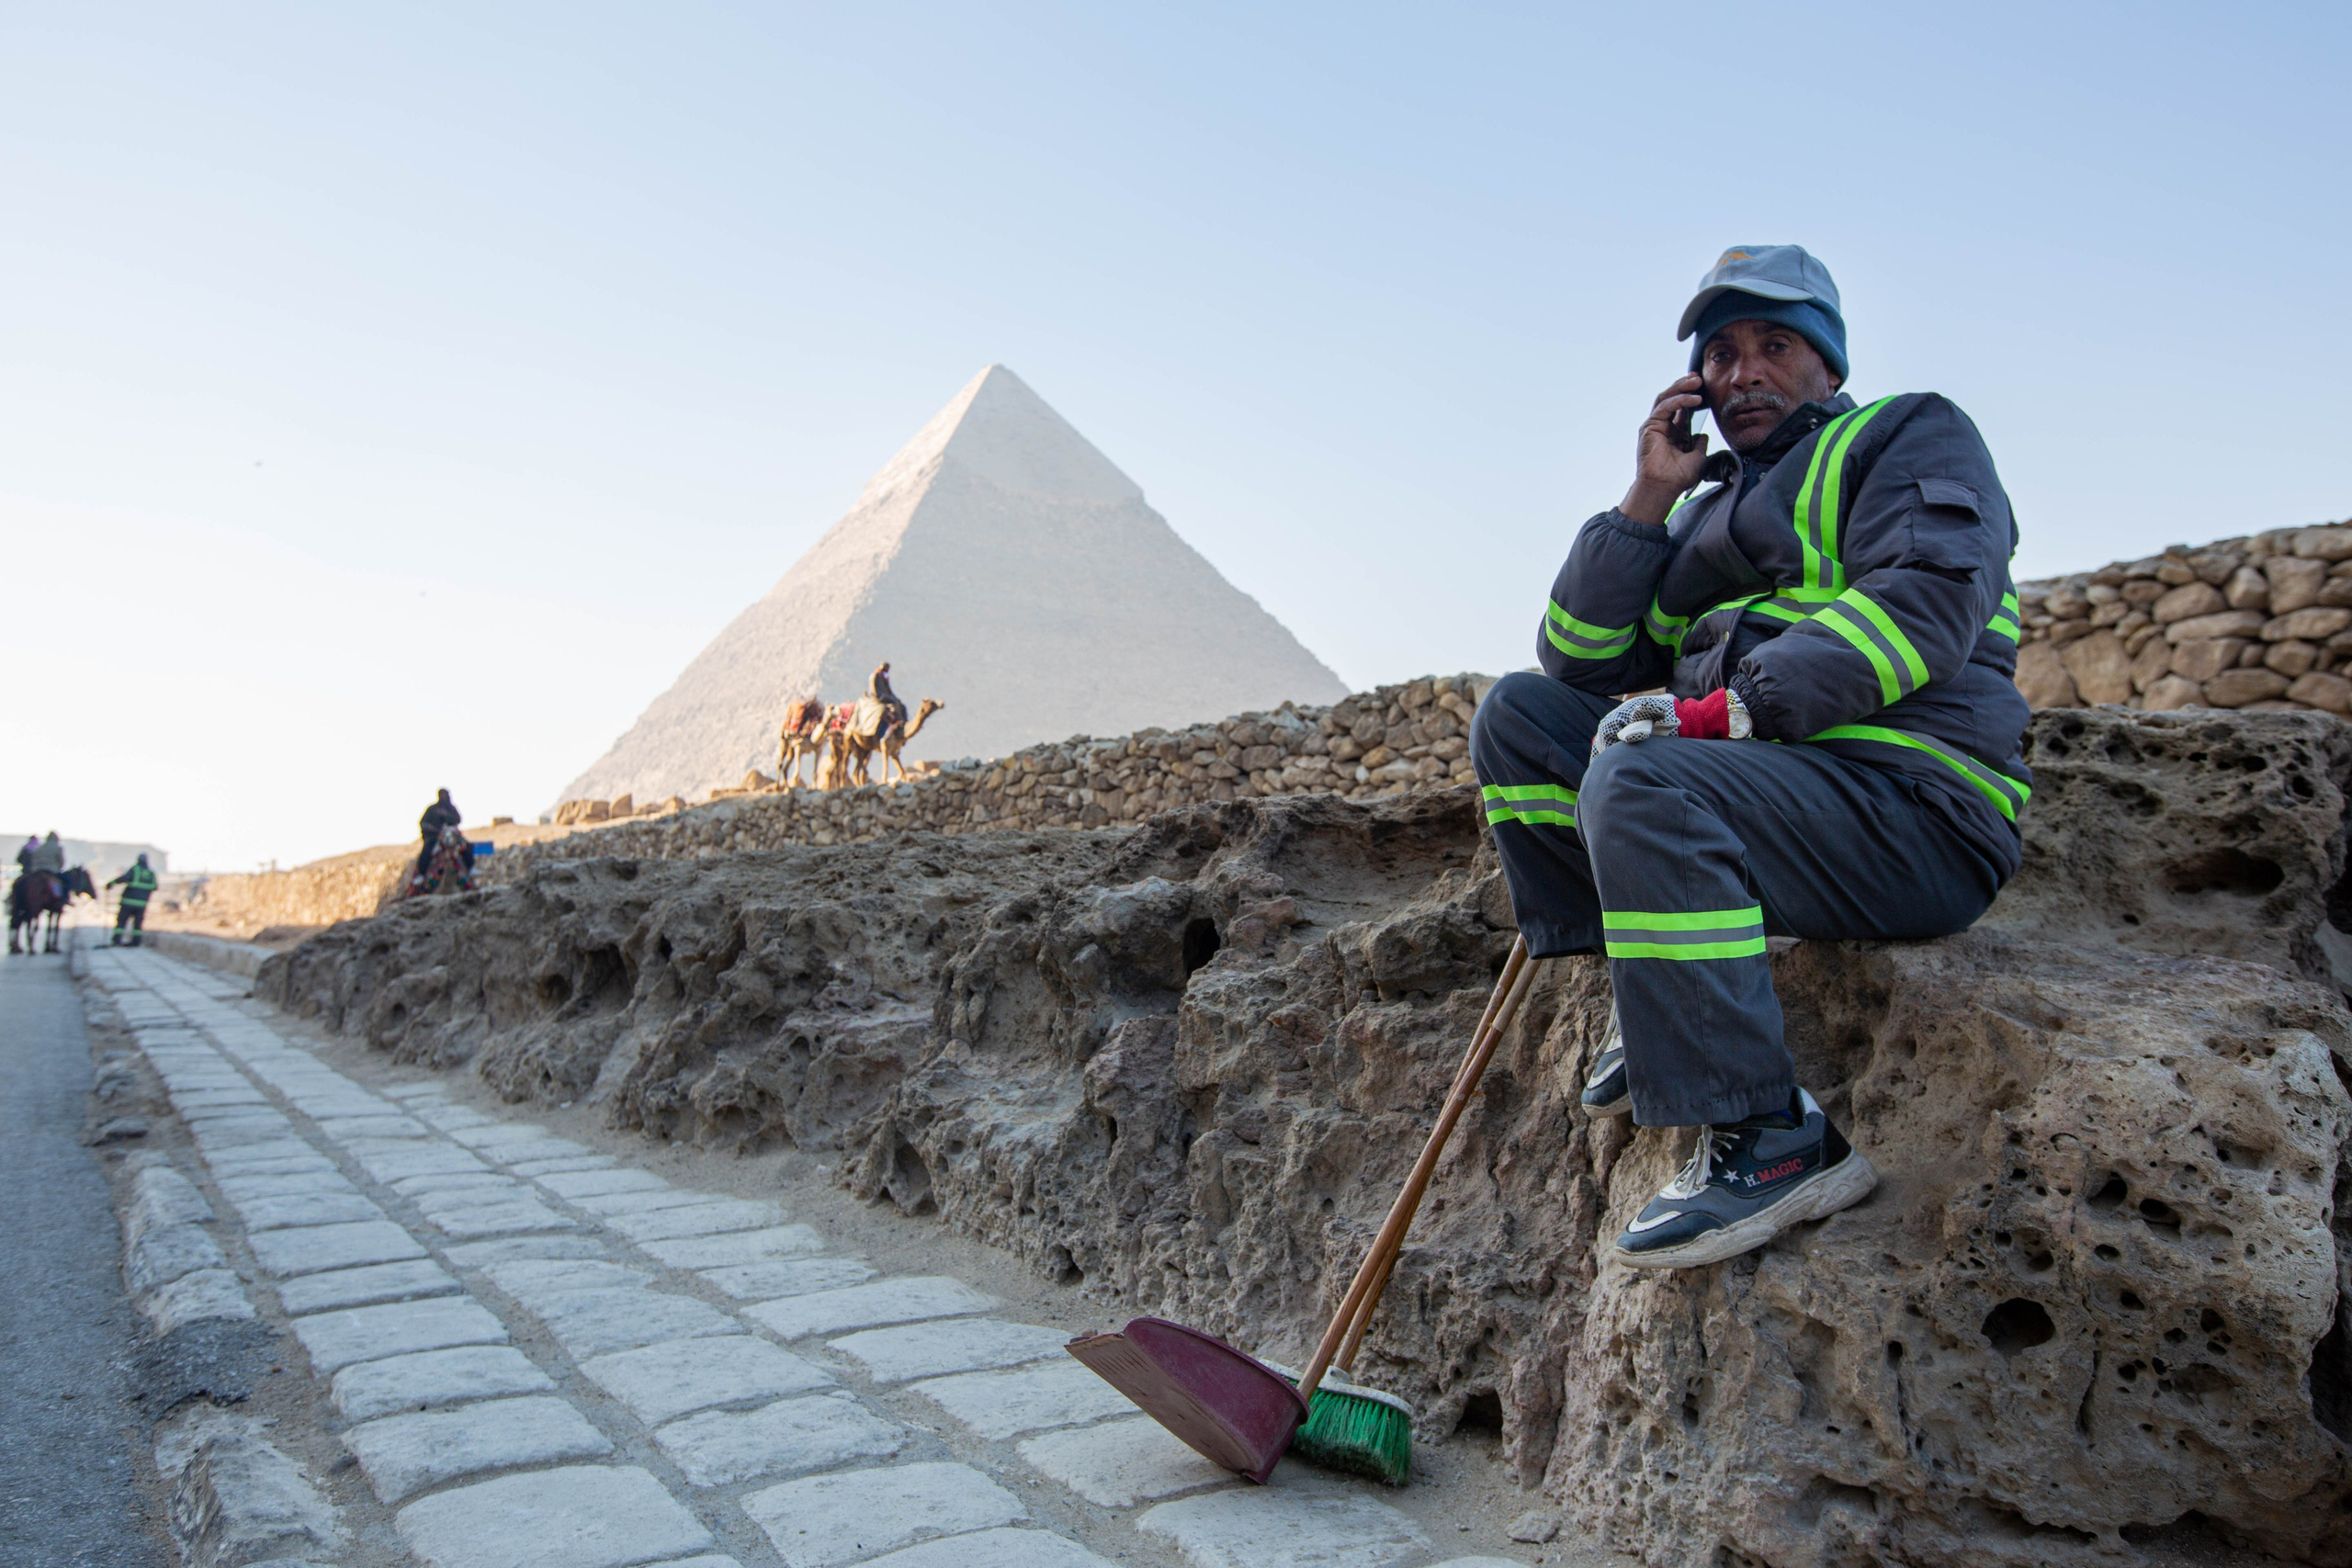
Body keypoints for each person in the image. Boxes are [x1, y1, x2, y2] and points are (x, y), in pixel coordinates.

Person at [1469, 244, 2027, 1271]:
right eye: (1720, 353)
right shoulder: (1696, 510)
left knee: (1644, 773)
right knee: (1517, 715)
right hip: (1775, 798)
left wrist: (1728, 712)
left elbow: (1929, 595)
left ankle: (1776, 1138)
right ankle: (1658, 988)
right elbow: (1581, 661)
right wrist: (1644, 497)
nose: (1744, 373)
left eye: (1776, 344)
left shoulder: (1908, 434)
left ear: (1829, 365)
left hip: (1910, 808)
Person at [107, 853, 158, 946]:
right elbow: (155, 887)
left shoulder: (135, 870)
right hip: (142, 904)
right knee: (138, 924)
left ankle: (117, 940)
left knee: (122, 921)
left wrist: (111, 883)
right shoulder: (151, 873)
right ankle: (136, 942)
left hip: (128, 902)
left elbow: (124, 878)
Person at [417, 790, 460, 879]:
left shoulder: (451, 809)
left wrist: (446, 815)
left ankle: (471, 868)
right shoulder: (431, 809)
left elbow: (458, 819)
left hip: (450, 836)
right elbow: (422, 822)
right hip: (434, 837)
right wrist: (428, 827)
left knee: (467, 846)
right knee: (426, 851)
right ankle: (421, 875)